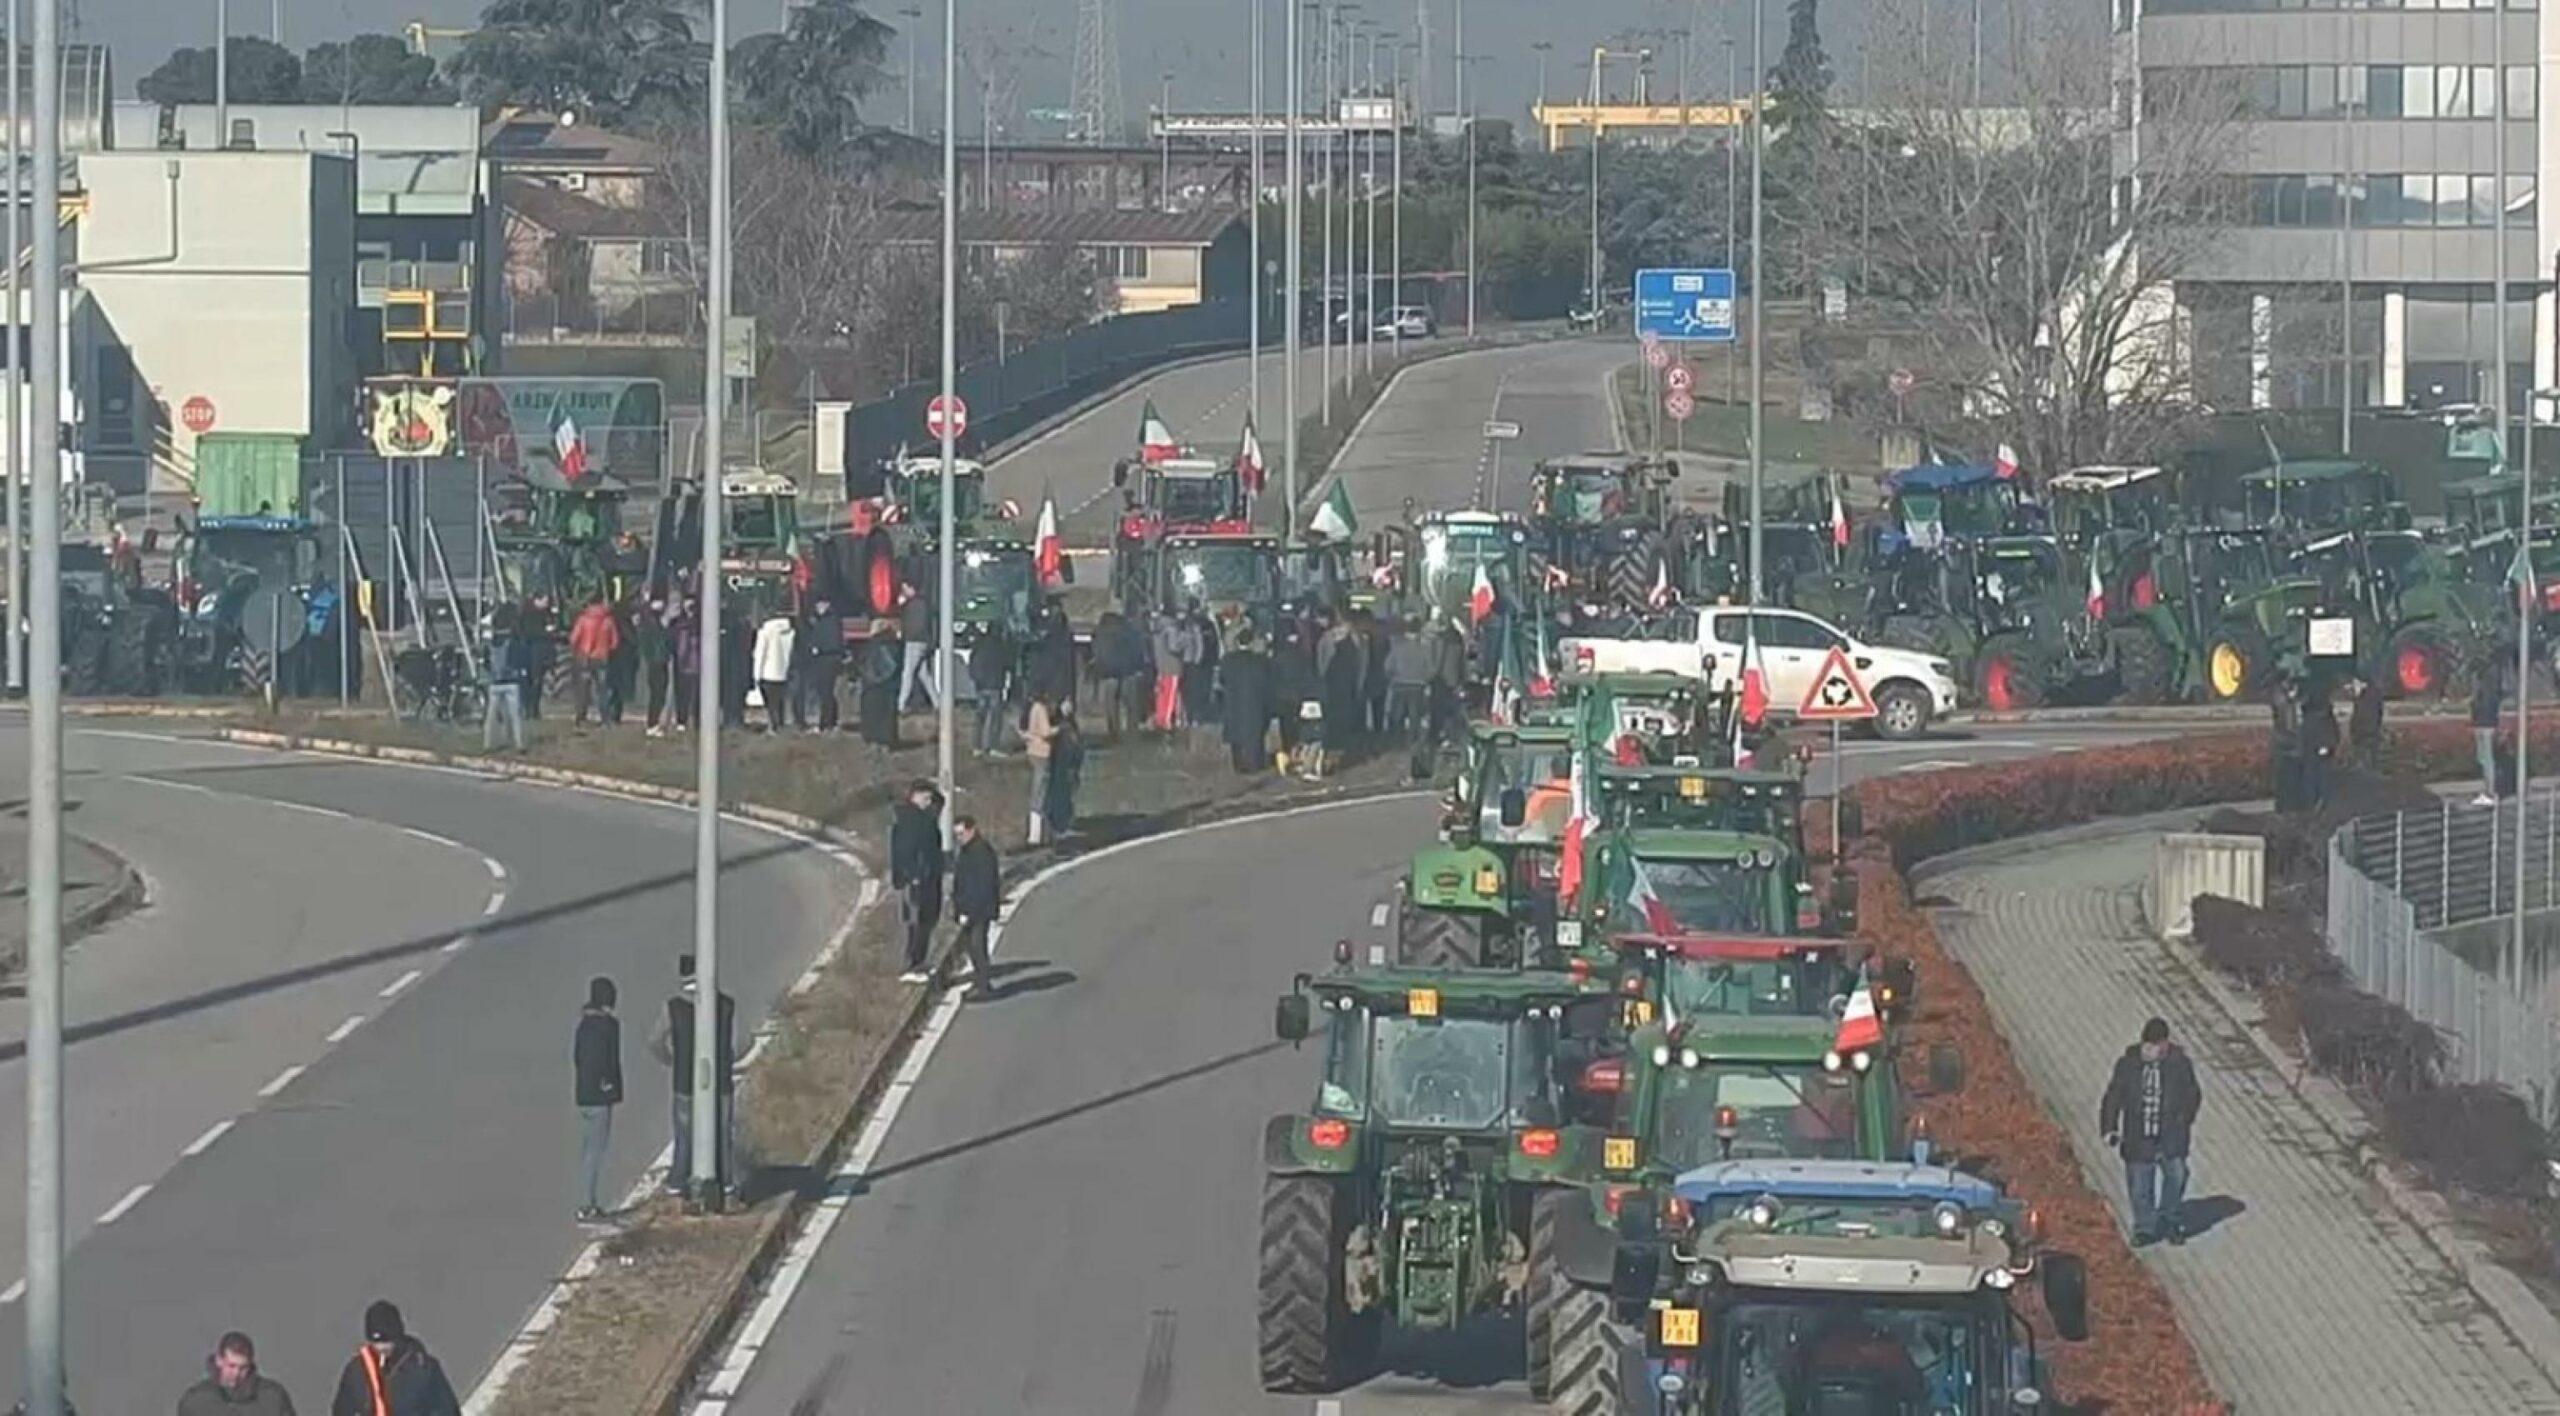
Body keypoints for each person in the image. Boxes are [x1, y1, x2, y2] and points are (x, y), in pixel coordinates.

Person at [2099, 1016, 2204, 1247]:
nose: (2148, 1051)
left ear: (2164, 1046)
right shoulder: (2128, 1065)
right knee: (2139, 1186)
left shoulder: (2180, 1066)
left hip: (2170, 1136)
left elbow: (2193, 1094)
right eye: (2146, 1045)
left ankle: (2170, 1217)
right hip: (2139, 1137)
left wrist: (2183, 1119)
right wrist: (2110, 1128)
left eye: (2153, 1047)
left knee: (2177, 1176)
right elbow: (2114, 1096)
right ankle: (2145, 1227)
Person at [647, 954, 738, 1197]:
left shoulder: (674, 1007)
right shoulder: (725, 1004)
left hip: (684, 1082)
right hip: (721, 1083)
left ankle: (678, 1186)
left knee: (685, 1136)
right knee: (723, 1135)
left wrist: (673, 1061)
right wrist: (727, 1061)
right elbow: (745, 1043)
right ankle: (727, 1187)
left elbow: (655, 1042)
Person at [329, 1301, 459, 1416]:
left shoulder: (424, 1369)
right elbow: (341, 1409)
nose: (381, 1348)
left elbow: (446, 1409)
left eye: (386, 1341)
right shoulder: (356, 1371)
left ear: (397, 1336)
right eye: (376, 1343)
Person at [572, 975, 622, 1222]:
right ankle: (587, 1205)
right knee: (596, 1150)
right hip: (601, 1096)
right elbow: (609, 1061)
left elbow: (578, 1057)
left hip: (583, 1094)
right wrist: (608, 1085)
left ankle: (586, 1200)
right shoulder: (608, 1027)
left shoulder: (583, 1025)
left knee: (587, 1150)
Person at [891, 780, 944, 982]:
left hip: (926, 877)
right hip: (916, 880)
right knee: (916, 922)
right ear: (914, 795)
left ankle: (919, 962)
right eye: (926, 797)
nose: (929, 802)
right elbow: (905, 851)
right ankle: (911, 965)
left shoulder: (923, 818)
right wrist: (913, 875)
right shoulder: (910, 820)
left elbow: (941, 802)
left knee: (926, 921)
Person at [179, 1331, 296, 1416]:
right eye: (231, 1366)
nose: (236, 1373)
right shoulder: (196, 1400)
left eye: (243, 1367)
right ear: (219, 1360)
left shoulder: (273, 1397)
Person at [948, 814, 1001, 1000]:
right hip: (971, 908)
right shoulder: (967, 851)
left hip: (979, 910)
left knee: (977, 947)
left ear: (972, 830)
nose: (959, 839)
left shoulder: (981, 852)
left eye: (961, 834)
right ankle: (981, 983)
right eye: (956, 835)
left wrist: (969, 911)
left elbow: (983, 886)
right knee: (973, 948)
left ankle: (983, 986)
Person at [1220, 627, 1275, 773]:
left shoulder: (1228, 660)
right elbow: (1267, 682)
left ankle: (1237, 764)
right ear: (1251, 643)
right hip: (1254, 702)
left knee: (1235, 734)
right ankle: (1254, 763)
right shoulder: (1260, 661)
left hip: (1233, 702)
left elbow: (1222, 680)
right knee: (1254, 734)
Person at [1091, 609, 1148, 740]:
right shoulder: (1128, 631)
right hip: (1127, 671)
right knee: (1131, 704)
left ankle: (1113, 732)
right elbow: (1136, 649)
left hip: (1107, 672)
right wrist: (1138, 666)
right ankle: (1132, 731)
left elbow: (1096, 652)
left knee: (1111, 705)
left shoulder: (1100, 633)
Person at [564, 595, 620, 726]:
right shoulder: (608, 620)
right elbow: (614, 643)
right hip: (602, 658)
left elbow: (573, 639)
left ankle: (580, 718)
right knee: (602, 690)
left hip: (584, 657)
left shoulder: (582, 619)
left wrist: (576, 651)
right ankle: (605, 719)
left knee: (583, 689)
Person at [481, 610, 530, 754]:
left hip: (495, 682)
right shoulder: (514, 640)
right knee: (515, 715)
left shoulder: (491, 642)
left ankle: (488, 744)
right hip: (511, 681)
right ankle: (519, 744)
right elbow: (521, 658)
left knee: (491, 715)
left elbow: (486, 661)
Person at [1384, 614, 1434, 745]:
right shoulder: (1425, 648)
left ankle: (1395, 742)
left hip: (1399, 684)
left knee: (1397, 716)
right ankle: (1411, 743)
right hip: (1417, 686)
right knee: (1414, 717)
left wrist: (1394, 677)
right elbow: (1430, 669)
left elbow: (1388, 666)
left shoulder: (1398, 646)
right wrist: (1424, 679)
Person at [969, 618, 1017, 755]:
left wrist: (975, 679)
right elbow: (1008, 664)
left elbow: (973, 662)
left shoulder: (979, 644)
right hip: (995, 685)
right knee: (995, 718)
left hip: (981, 685)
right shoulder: (1001, 646)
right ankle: (992, 746)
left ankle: (976, 746)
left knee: (980, 717)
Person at [797, 599, 843, 732]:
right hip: (824, 659)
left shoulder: (830, 621)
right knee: (825, 692)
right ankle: (829, 721)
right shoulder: (822, 620)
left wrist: (818, 648)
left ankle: (827, 723)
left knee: (826, 693)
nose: (817, 607)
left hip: (827, 659)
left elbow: (832, 641)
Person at [1024, 693, 1064, 845]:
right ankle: (1036, 835)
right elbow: (1045, 732)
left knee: (1039, 790)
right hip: (1041, 752)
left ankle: (1039, 833)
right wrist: (1059, 729)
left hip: (1033, 751)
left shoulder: (1034, 708)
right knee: (1040, 792)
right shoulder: (1040, 709)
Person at [1044, 698, 1085, 838]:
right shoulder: (1063, 728)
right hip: (1063, 768)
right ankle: (1060, 826)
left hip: (1068, 767)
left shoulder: (1068, 726)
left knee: (1066, 796)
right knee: (1061, 796)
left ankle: (1062, 824)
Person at [858, 628, 904, 747]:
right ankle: (886, 739)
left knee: (872, 713)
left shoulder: (870, 646)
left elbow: (862, 664)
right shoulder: (894, 647)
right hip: (887, 688)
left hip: (870, 687)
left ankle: (872, 737)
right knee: (887, 714)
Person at [897, 583, 938, 712]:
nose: (903, 592)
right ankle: (937, 702)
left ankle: (900, 704)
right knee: (923, 674)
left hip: (914, 641)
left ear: (911, 588)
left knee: (907, 673)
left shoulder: (913, 605)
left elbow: (910, 624)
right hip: (922, 641)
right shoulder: (923, 604)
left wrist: (901, 605)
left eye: (905, 589)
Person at [2268, 675, 2306, 813]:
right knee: (2285, 780)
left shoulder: (2295, 697)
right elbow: (2284, 721)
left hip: (2295, 746)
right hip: (2285, 747)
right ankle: (2284, 810)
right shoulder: (2280, 697)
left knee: (2295, 780)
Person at [2302, 677, 2339, 811]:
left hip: (2315, 752)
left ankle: (2316, 806)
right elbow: (2333, 732)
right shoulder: (2323, 715)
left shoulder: (2312, 716)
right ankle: (2317, 806)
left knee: (2316, 780)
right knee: (2319, 780)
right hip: (2317, 752)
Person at [2473, 657, 2504, 806]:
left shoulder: (2488, 682)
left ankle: (2490, 793)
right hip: (2484, 722)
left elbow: (2485, 702)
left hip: (2486, 722)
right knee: (2483, 758)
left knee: (2487, 759)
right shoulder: (2489, 681)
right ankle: (2488, 791)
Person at [1151, 608, 1188, 730]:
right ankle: (1166, 721)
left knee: (1161, 694)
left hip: (1161, 666)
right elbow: (1174, 647)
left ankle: (1160, 717)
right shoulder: (1171, 629)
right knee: (1170, 695)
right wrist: (1184, 639)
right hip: (1171, 666)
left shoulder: (1157, 629)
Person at [2346, 673, 2385, 775]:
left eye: (2355, 683)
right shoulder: (2368, 695)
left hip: (2366, 730)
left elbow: (2365, 715)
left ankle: (2367, 768)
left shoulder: (2368, 697)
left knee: (2367, 749)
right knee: (2368, 750)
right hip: (2366, 729)